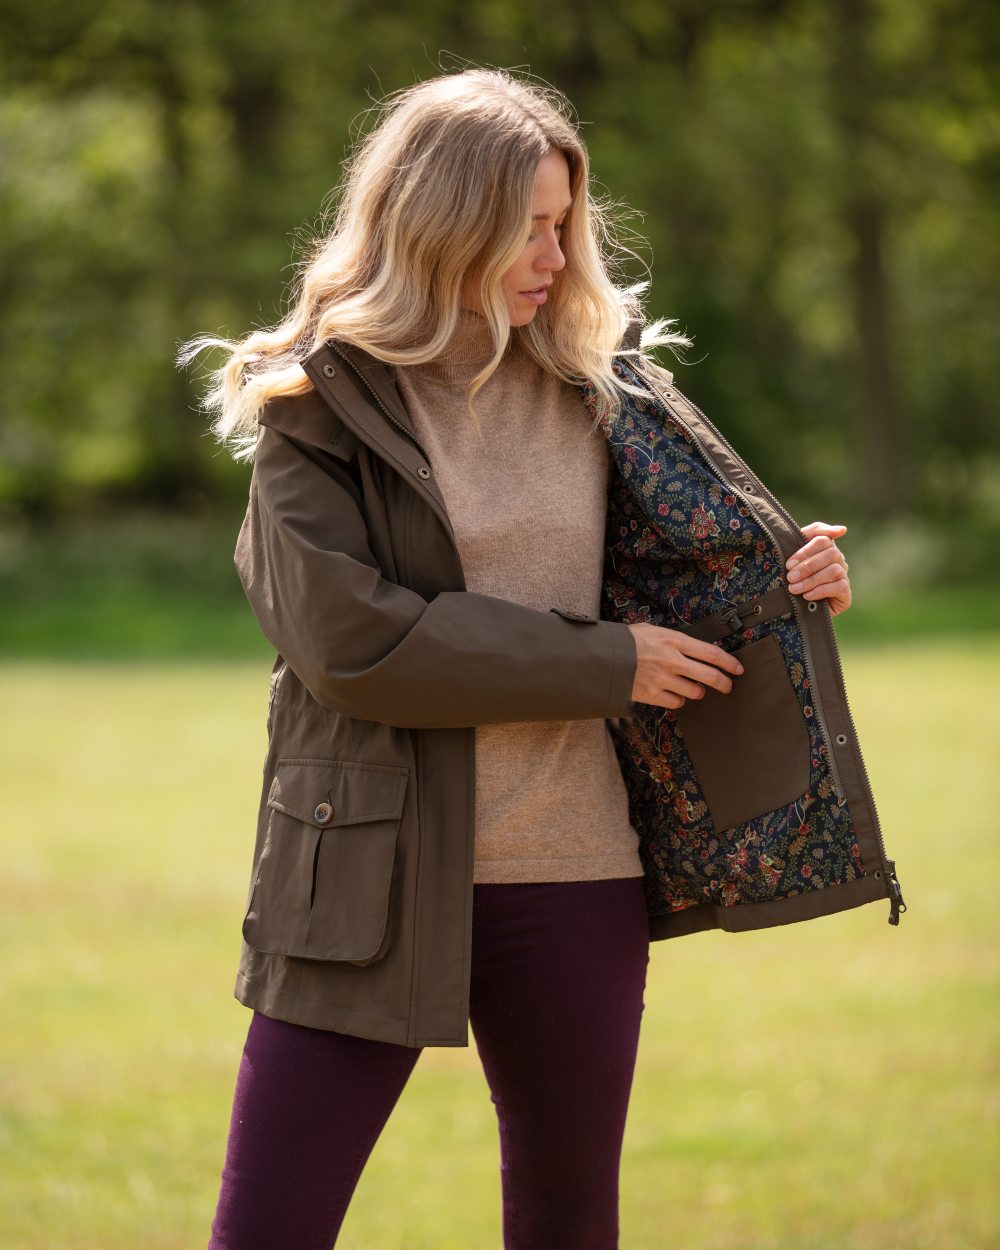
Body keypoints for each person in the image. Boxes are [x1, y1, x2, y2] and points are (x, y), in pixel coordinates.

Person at [178, 66, 854, 1250]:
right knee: (271, 1226)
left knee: (567, 1223)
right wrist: (604, 664)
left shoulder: (608, 387)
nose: (552, 255)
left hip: (577, 866)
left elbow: (680, 585)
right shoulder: (314, 407)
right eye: (521, 228)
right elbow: (356, 640)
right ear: (439, 227)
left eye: (561, 224)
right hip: (365, 876)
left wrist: (794, 581)